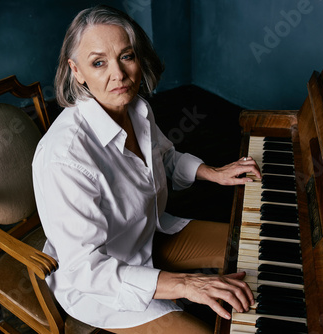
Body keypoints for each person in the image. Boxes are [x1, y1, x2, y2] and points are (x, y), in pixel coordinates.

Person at [32, 5, 261, 333]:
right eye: (99, 63)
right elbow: (86, 269)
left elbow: (164, 157)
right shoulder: (64, 157)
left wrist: (212, 172)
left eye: (125, 56)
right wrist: (187, 285)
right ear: (76, 70)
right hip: (101, 283)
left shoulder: (136, 108)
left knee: (251, 249)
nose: (119, 75)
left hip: (149, 232)